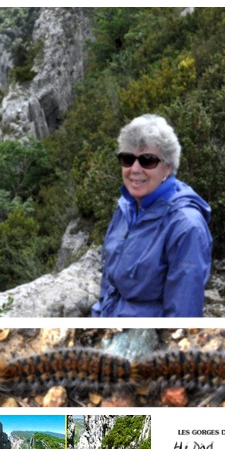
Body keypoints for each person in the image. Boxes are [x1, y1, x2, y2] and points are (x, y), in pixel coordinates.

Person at [92, 114, 212, 317]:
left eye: (147, 161)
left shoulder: (186, 227)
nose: (134, 169)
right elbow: (109, 284)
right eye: (127, 159)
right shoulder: (126, 206)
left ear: (167, 167)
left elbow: (183, 315)